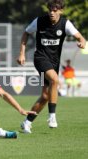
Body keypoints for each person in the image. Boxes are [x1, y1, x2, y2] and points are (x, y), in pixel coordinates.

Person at [17, 0, 86, 133]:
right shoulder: (39, 21)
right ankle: (52, 117)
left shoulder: (65, 24)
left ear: (61, 11)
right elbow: (26, 33)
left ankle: (27, 122)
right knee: (55, 80)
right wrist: (22, 54)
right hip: (40, 59)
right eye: (50, 10)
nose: (52, 13)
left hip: (54, 62)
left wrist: (82, 42)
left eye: (55, 10)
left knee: (45, 96)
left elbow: (80, 37)